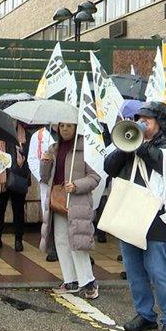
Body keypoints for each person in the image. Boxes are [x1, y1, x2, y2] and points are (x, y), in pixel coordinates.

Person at [104, 101, 166, 331]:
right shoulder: (130, 141)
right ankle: (145, 314)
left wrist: (141, 145)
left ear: (160, 122)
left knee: (158, 270)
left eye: (147, 120)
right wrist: (125, 146)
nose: (142, 123)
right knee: (133, 269)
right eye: (139, 119)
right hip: (131, 212)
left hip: (158, 217)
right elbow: (109, 167)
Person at [39, 122, 101, 298]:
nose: (65, 129)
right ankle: (70, 280)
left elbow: (95, 177)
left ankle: (88, 281)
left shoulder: (84, 149)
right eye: (62, 126)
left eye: (69, 126)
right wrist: (45, 163)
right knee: (61, 241)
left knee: (78, 242)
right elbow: (45, 178)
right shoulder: (53, 149)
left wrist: (76, 185)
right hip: (58, 201)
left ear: (76, 128)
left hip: (77, 201)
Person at [0, 122, 30, 252]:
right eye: (8, 118)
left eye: (13, 119)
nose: (11, 121)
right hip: (0, 178)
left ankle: (18, 239)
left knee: (18, 211)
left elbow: (31, 155)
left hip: (18, 177)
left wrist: (23, 151)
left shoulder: (26, 136)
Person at [28, 125, 58, 262]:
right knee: (49, 214)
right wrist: (41, 177)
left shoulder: (73, 135)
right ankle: (53, 248)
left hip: (65, 182)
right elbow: (32, 159)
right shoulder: (39, 136)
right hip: (47, 182)